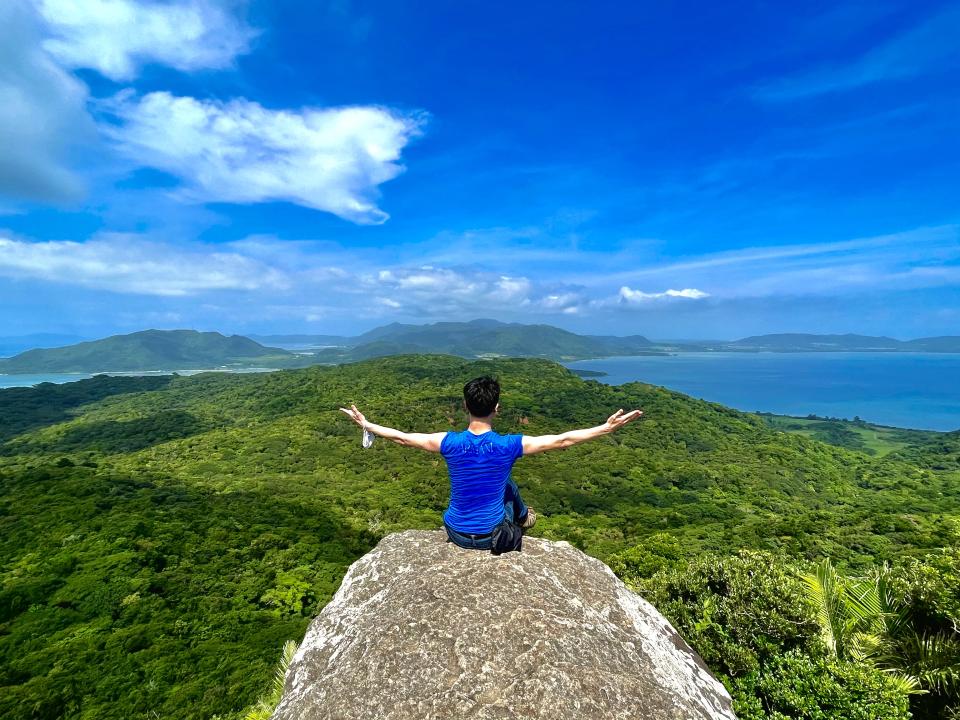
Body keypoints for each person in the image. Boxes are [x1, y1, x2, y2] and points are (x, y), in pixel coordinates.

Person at [339, 375, 643, 551]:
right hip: (491, 538)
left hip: (455, 532)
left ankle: (524, 517)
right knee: (507, 484)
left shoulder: (449, 442)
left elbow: (404, 437)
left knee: (503, 483)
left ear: (465, 406)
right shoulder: (508, 445)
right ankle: (525, 518)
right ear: (496, 408)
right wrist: (606, 428)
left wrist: (368, 424)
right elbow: (562, 440)